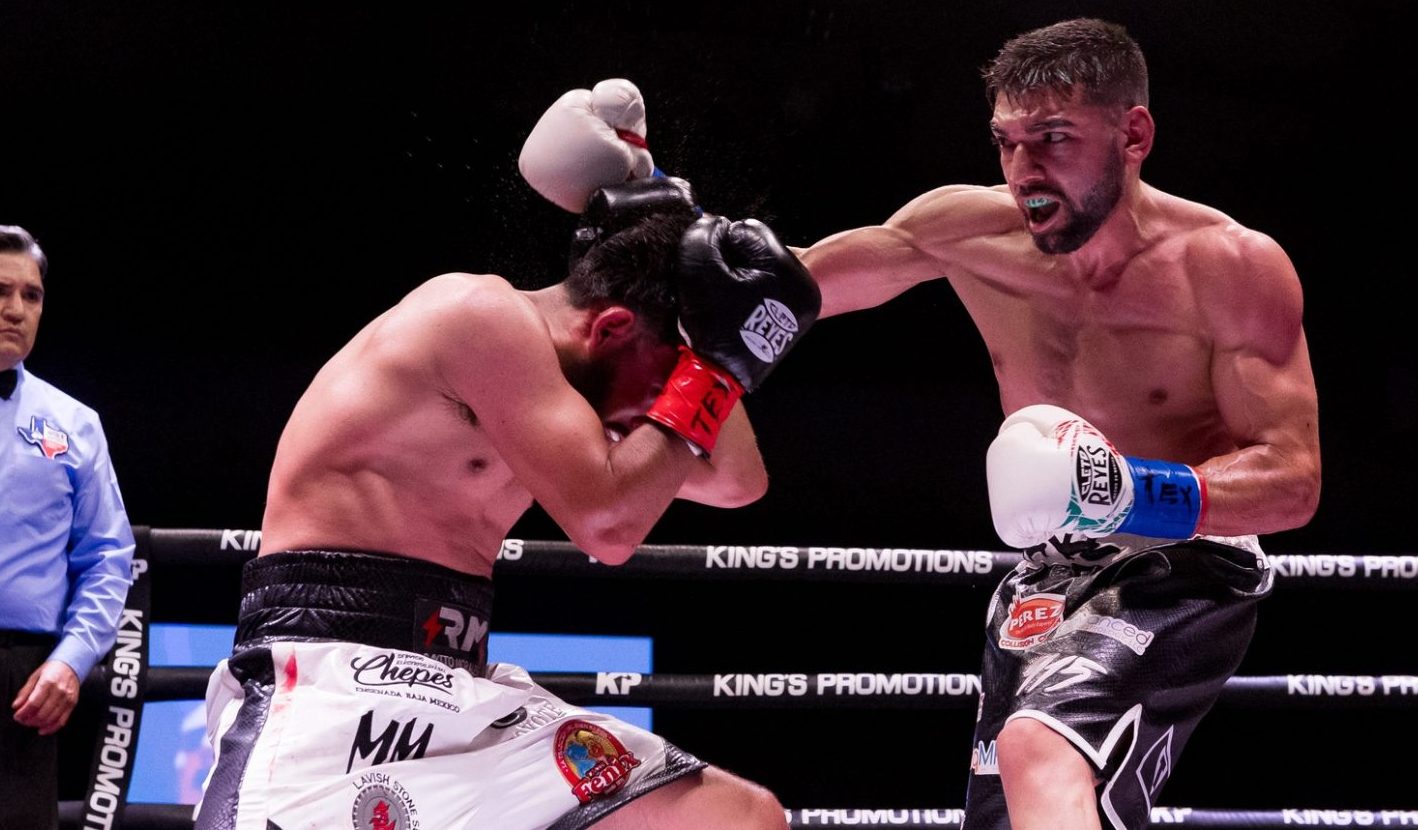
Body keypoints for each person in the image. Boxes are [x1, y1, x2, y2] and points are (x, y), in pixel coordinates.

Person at [191, 118, 821, 829]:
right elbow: (609, 527)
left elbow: (736, 481)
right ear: (611, 329)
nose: (659, 412)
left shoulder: (571, 408)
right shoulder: (476, 315)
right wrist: (708, 370)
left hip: (461, 686)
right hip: (332, 673)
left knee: (739, 817)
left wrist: (699, 284)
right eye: (661, 385)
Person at [792, 18, 1322, 830]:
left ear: (1133, 135)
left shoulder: (1228, 266)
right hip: (1048, 575)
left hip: (1186, 566)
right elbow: (783, 290)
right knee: (1018, 807)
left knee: (1041, 745)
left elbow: (1293, 480)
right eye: (1006, 142)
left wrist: (1127, 492)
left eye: (1053, 138)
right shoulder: (963, 231)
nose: (1022, 170)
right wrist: (655, 228)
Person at [0, 224, 136, 830]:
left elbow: (108, 555)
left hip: (22, 681)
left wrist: (72, 660)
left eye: (31, 295)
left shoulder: (73, 423)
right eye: (1, 291)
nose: (16, 309)